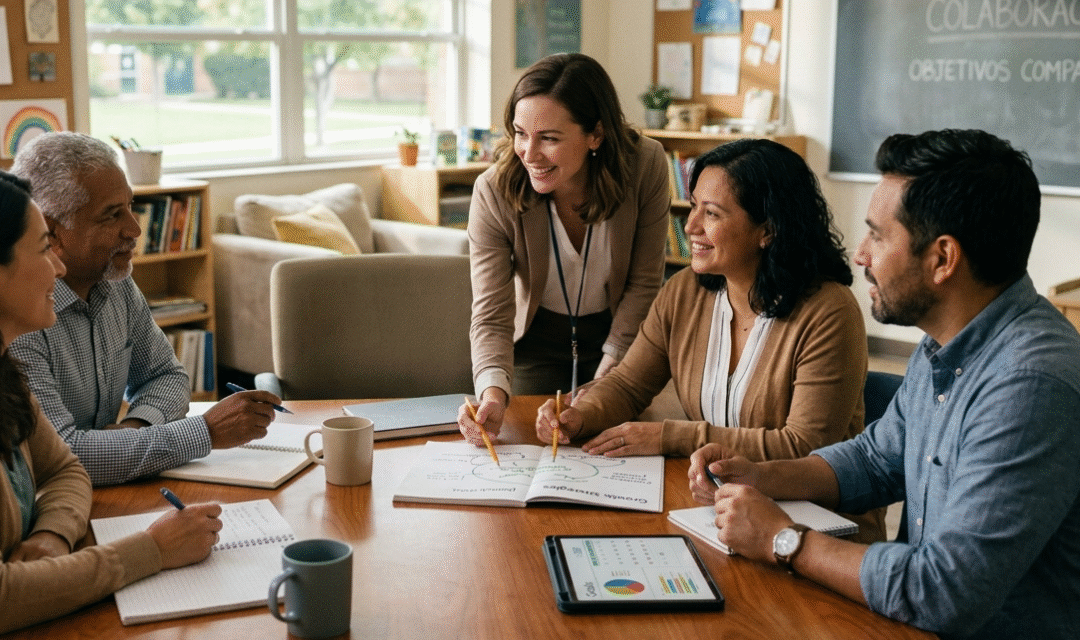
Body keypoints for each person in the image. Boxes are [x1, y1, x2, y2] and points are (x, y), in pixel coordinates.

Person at [688, 129, 1080, 639]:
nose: (860, 254)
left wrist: (784, 540)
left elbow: (942, 591)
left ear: (942, 259)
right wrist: (762, 477)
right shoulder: (946, 342)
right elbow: (875, 460)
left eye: (877, 234)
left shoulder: (1029, 386)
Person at [536, 138, 884, 541]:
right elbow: (629, 383)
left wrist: (671, 435)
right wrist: (582, 414)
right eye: (694, 205)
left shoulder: (829, 310)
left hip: (818, 527)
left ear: (768, 230)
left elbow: (806, 446)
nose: (690, 226)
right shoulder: (685, 290)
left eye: (712, 213)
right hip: (723, 510)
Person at [0, 171, 223, 633]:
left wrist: (50, 535)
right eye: (44, 249)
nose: (57, 268)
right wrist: (153, 550)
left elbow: (66, 469)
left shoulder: (5, 374)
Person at [9, 131, 282, 486]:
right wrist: (206, 432)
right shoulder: (20, 315)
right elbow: (65, 456)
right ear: (52, 231)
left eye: (130, 206)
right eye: (111, 215)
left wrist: (133, 429)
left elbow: (166, 376)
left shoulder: (116, 282)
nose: (135, 229)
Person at [458, 53, 670, 442]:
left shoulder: (646, 164)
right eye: (520, 133)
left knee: (611, 448)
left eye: (549, 138)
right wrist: (491, 394)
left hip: (621, 336)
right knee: (529, 442)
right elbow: (491, 312)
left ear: (596, 135)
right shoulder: (494, 190)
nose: (529, 154)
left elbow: (644, 284)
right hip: (536, 341)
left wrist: (606, 383)